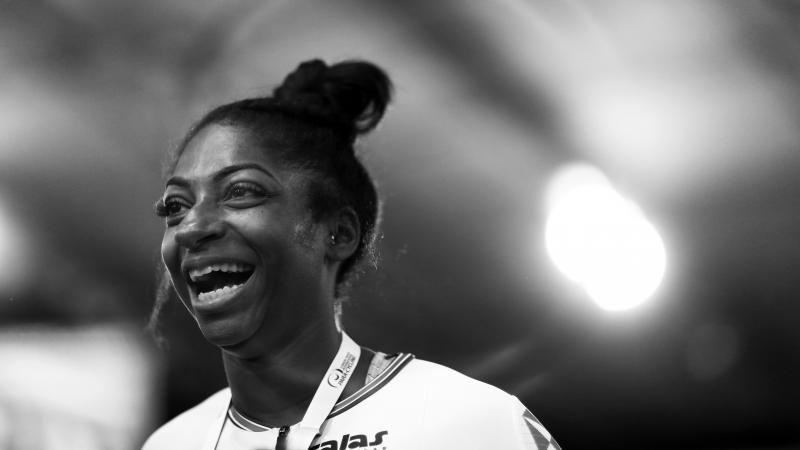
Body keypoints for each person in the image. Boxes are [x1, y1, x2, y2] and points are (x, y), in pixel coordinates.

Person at [143, 59, 561, 450]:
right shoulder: (172, 443)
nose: (193, 228)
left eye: (240, 192)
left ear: (339, 234)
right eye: (176, 207)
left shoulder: (470, 423)